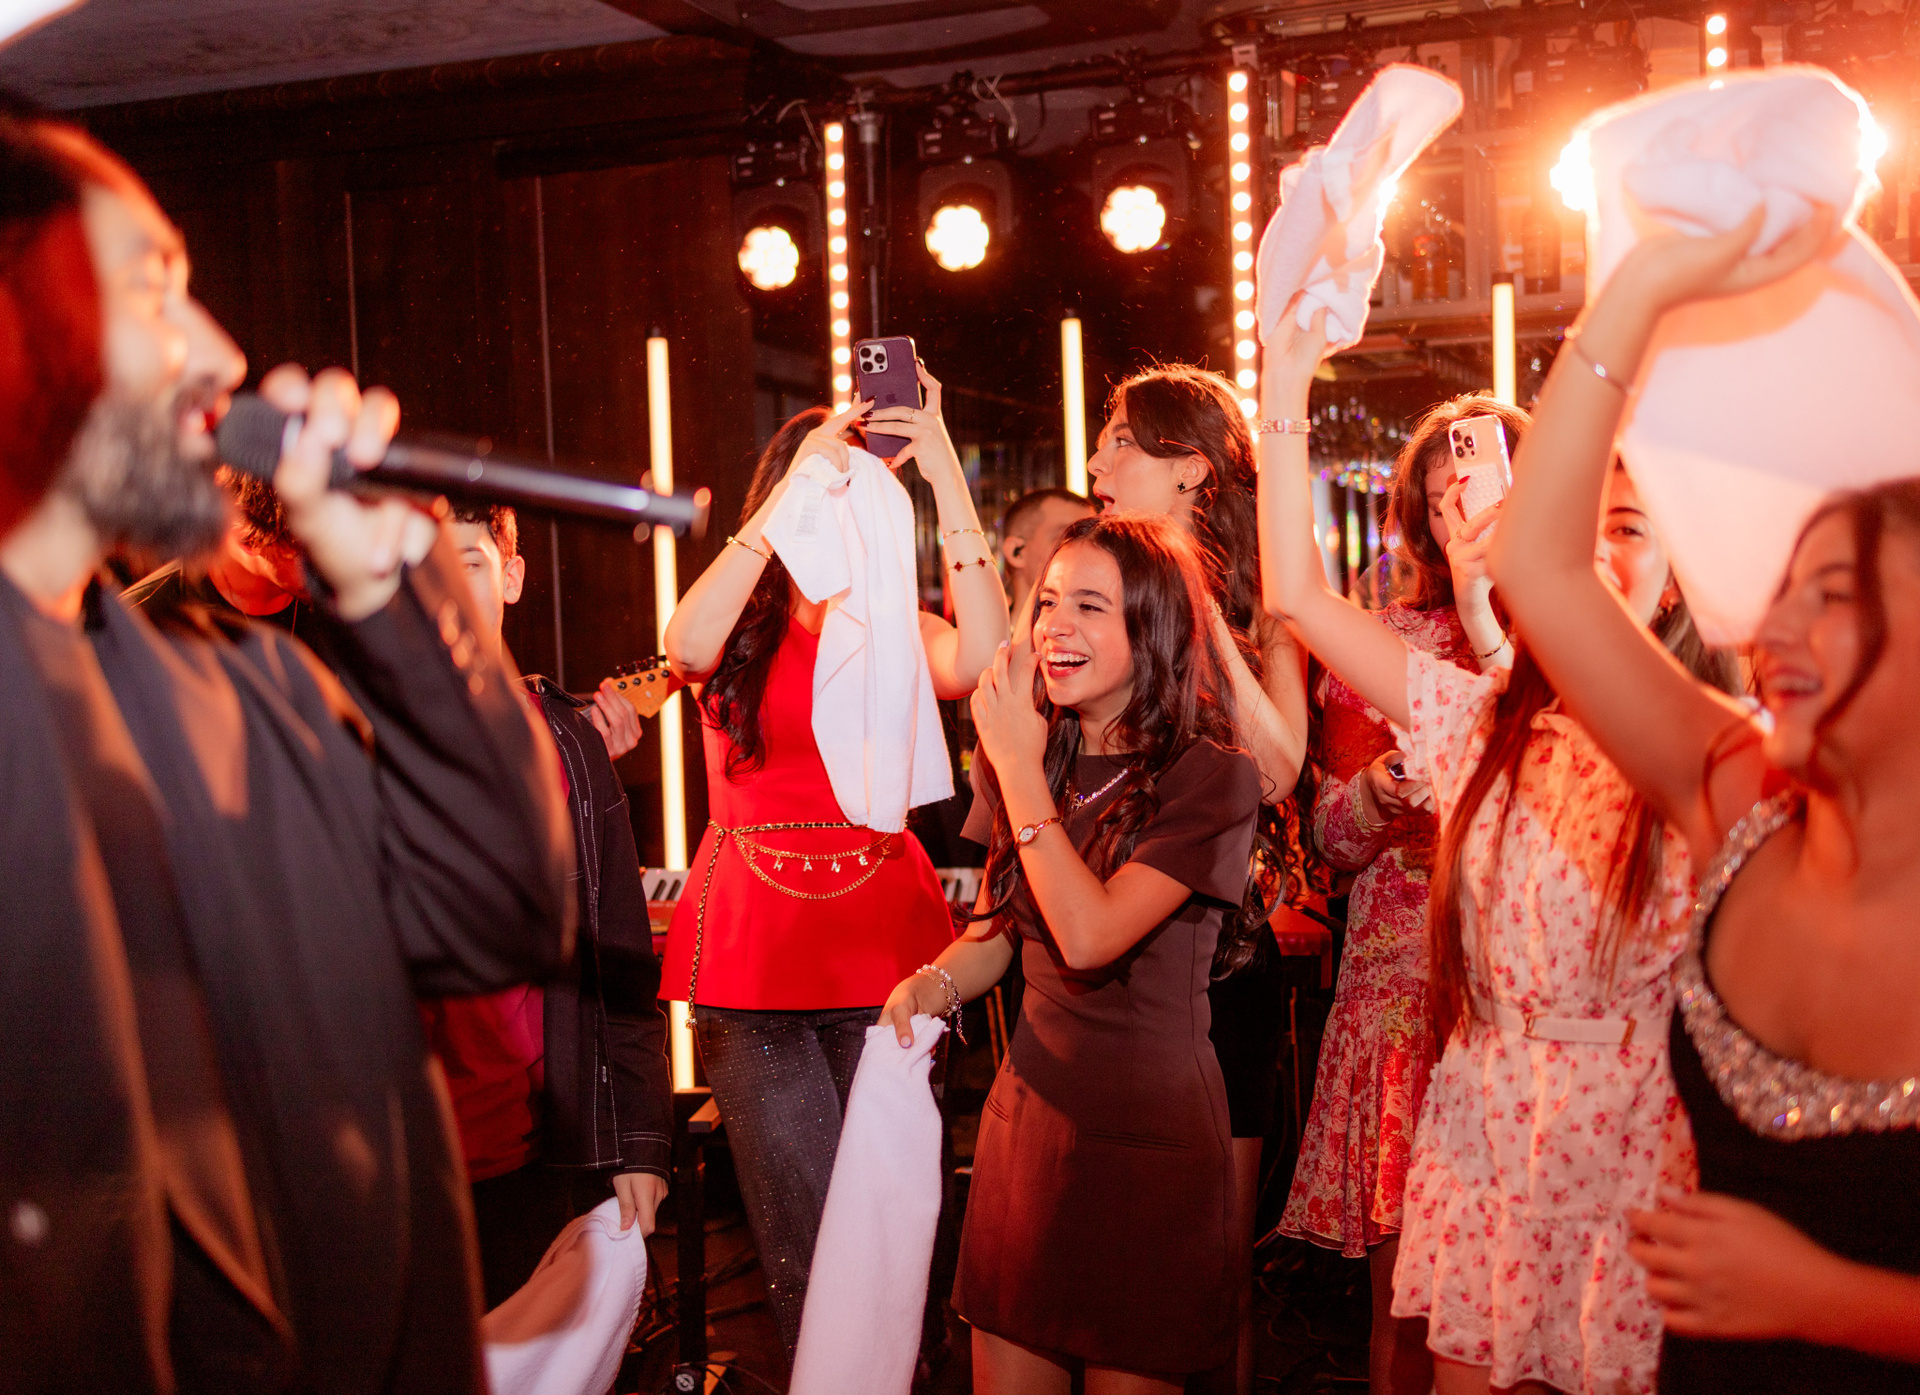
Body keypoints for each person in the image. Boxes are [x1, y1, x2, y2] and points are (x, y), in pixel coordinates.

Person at [0, 109, 573, 1394]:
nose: (219, 352)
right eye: (152, 291)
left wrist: (388, 582)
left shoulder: (236, 682)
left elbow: (499, 907)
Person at [1257, 292, 1737, 1395]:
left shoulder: (1717, 750)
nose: (1594, 546)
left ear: (1680, 565)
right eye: (1573, 520)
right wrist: (1287, 370)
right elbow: (1297, 595)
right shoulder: (1479, 723)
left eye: (1629, 526)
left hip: (1628, 1144)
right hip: (1481, 1123)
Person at [1488, 204, 1920, 1390]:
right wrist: (1639, 292)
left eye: (1832, 594)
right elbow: (1539, 565)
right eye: (1782, 590)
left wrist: (1826, 1300)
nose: (1772, 628)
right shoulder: (1745, 806)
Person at [659, 382, 1006, 1360]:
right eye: (830, 473)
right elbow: (684, 644)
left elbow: (985, 656)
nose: (850, 485)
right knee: (807, 1243)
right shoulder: (736, 617)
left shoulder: (892, 620)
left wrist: (940, 464)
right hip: (753, 954)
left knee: (900, 1220)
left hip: (885, 946)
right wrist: (797, 486)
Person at [881, 511, 1262, 1394]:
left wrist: (1018, 771)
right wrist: (928, 984)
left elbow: (1090, 936)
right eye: (1049, 601)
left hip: (1149, 1148)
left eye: (1090, 605)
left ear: (1152, 627)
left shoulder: (1211, 775)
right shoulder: (1030, 756)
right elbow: (997, 930)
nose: (1055, 625)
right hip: (1028, 1134)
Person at [1277, 395, 1524, 1395]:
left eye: (1474, 489)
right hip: (1397, 990)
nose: (1455, 512)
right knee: (1406, 1310)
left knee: (1527, 1301)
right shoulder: (1379, 641)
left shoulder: (1567, 636)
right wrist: (1378, 794)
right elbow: (1330, 839)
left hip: (1519, 986)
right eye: (1435, 499)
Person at [1084, 362, 1308, 1395]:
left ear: (1193, 471)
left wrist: (1194, 593)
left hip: (1222, 963)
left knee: (1215, 1269)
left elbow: (1277, 768)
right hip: (1099, 953)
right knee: (1104, 1258)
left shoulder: (1271, 606)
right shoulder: (1094, 591)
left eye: (1122, 441)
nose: (1098, 462)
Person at [413, 502, 671, 1310]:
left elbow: (620, 956)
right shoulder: (352, 734)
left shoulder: (570, 746)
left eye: (471, 563)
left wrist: (639, 1139)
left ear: (513, 577)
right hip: (404, 1154)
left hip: (536, 1148)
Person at [123, 472, 644, 756]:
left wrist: (573, 756)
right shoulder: (140, 625)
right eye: (306, 549)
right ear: (244, 541)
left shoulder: (347, 607)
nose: (330, 560)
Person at [998, 486, 1093, 621]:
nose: (1086, 551)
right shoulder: (984, 631)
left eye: (1093, 540)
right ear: (1016, 552)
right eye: (1067, 538)